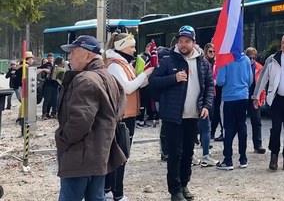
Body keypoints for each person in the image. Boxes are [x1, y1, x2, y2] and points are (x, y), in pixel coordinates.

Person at [56, 35, 126, 201]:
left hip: (80, 155)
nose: (69, 57)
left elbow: (80, 122)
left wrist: (62, 139)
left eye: (74, 52)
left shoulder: (85, 79)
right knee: (96, 197)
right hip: (99, 154)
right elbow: (120, 108)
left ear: (88, 55)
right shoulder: (108, 76)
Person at [149, 25, 213, 201]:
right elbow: (153, 81)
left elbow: (209, 86)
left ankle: (184, 184)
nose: (183, 45)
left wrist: (207, 105)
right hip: (173, 116)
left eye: (187, 41)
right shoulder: (168, 60)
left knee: (188, 153)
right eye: (181, 41)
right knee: (175, 153)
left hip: (193, 115)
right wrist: (173, 78)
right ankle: (174, 190)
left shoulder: (203, 62)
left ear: (194, 42)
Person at [103, 33, 154, 201]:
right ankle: (117, 193)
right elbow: (128, 88)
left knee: (118, 154)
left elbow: (136, 84)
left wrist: (146, 76)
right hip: (122, 116)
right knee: (120, 156)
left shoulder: (123, 63)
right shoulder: (115, 65)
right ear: (121, 47)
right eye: (131, 47)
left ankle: (108, 189)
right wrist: (145, 73)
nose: (134, 50)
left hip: (127, 114)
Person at [253, 35, 284, 171]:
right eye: (282, 42)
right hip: (276, 99)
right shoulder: (272, 59)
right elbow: (263, 78)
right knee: (276, 129)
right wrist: (256, 95)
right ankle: (274, 156)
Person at [215, 49, 253, 170]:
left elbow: (220, 81)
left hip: (229, 97)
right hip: (243, 96)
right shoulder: (246, 59)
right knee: (242, 126)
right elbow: (250, 79)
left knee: (228, 128)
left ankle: (228, 159)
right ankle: (243, 158)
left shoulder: (225, 59)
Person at [245, 47, 266, 155]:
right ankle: (241, 145)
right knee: (239, 122)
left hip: (254, 96)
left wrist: (261, 98)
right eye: (250, 58)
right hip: (243, 96)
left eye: (254, 57)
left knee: (256, 121)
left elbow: (262, 84)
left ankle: (258, 145)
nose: (252, 60)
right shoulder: (242, 65)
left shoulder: (259, 67)